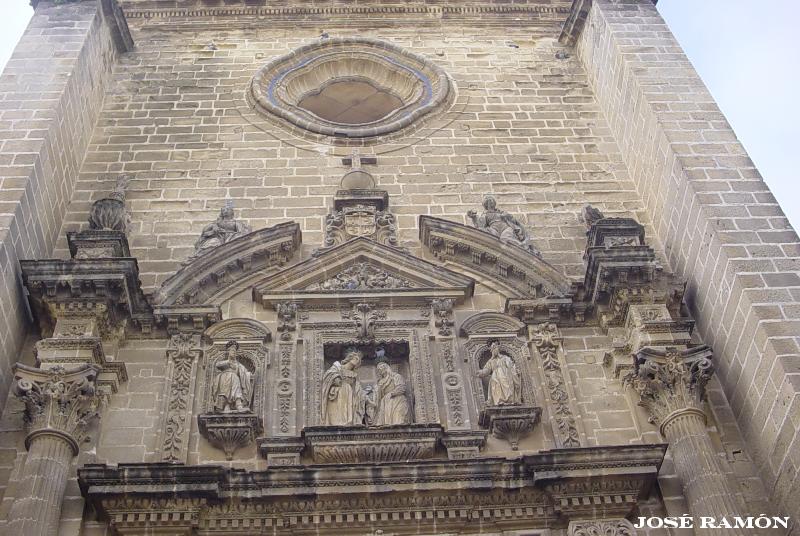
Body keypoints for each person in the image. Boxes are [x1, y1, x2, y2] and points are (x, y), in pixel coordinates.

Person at [321, 348, 367, 426]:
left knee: (346, 410)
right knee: (337, 411)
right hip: (337, 393)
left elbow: (357, 388)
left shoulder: (354, 375)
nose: (357, 361)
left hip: (348, 394)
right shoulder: (337, 367)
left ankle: (348, 422)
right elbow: (328, 376)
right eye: (356, 358)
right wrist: (335, 378)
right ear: (350, 358)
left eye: (358, 360)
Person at [212, 340, 252, 413]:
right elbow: (218, 365)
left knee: (235, 382)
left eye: (235, 351)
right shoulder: (224, 362)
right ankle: (226, 406)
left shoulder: (238, 364)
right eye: (232, 351)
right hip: (225, 379)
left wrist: (248, 375)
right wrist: (229, 363)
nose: (234, 352)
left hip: (234, 379)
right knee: (225, 391)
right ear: (228, 352)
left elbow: (243, 371)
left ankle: (238, 405)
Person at [477, 340, 522, 406]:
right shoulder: (490, 361)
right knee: (497, 388)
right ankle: (499, 400)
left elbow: (511, 367)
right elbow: (487, 370)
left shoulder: (505, 358)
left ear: (498, 348)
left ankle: (509, 400)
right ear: (491, 351)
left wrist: (515, 371)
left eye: (495, 347)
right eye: (492, 348)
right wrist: (481, 372)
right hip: (495, 378)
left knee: (506, 386)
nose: (494, 349)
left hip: (506, 375)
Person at [373, 362, 410, 426]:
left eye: (381, 367)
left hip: (397, 401)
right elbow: (379, 397)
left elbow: (402, 388)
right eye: (378, 369)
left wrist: (391, 393)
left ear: (386, 367)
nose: (380, 370)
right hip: (386, 403)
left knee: (398, 421)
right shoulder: (380, 382)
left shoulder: (396, 376)